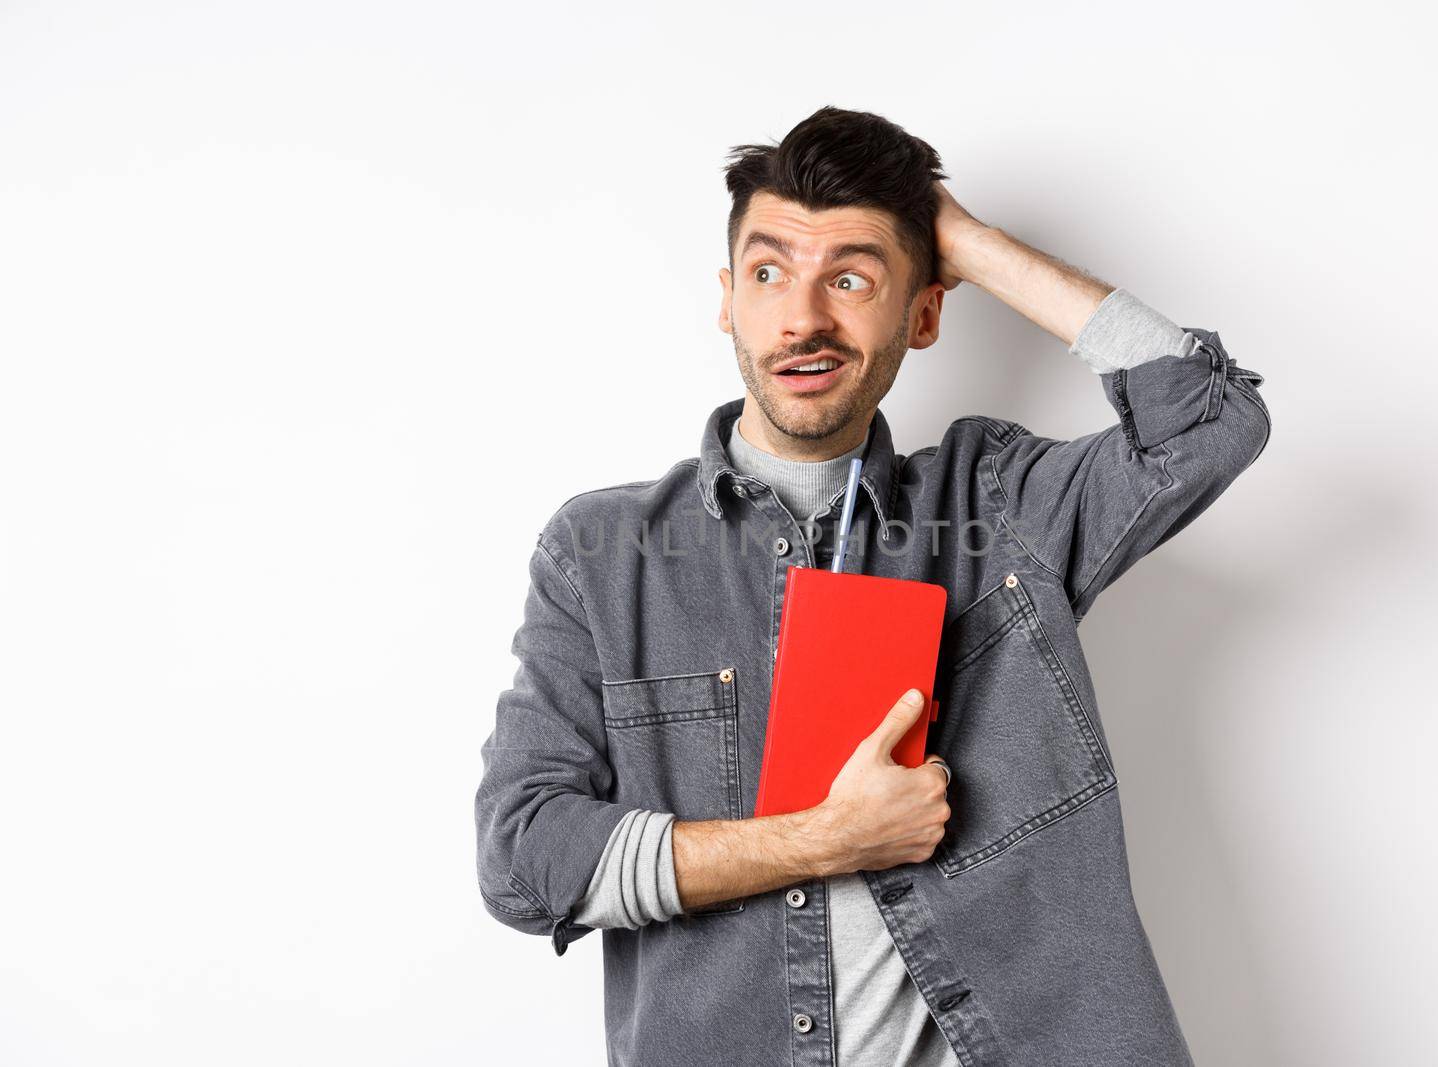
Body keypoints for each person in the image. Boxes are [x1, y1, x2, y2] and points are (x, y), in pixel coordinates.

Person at [474, 105, 1270, 1067]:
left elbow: (1211, 421)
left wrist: (964, 241)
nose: (803, 316)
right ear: (728, 298)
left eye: (852, 277)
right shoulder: (602, 554)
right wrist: (823, 838)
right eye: (769, 273)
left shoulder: (996, 505)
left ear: (925, 312)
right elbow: (524, 862)